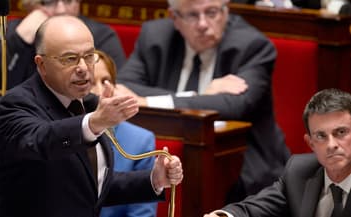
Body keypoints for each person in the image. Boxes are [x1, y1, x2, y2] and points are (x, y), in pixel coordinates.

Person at [0, 15, 183, 217]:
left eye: (89, 56)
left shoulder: (89, 103)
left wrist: (153, 180)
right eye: (70, 59)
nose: (83, 68)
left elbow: (87, 187)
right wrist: (93, 123)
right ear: (42, 64)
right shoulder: (16, 104)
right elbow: (42, 140)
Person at [117, 0, 290, 202]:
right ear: (175, 18)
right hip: (166, 159)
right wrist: (199, 96)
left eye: (212, 12)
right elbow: (123, 87)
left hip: (244, 171)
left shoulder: (252, 46)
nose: (203, 24)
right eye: (192, 15)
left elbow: (234, 105)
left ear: (225, 12)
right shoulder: (155, 38)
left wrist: (148, 101)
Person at [203, 88, 351, 217]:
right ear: (310, 143)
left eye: (341, 132)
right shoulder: (300, 172)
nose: (331, 145)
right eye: (321, 136)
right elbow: (254, 208)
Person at [0, 0, 126, 90]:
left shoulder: (101, 36)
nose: (61, 10)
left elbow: (118, 86)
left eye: (68, 1)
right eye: (49, 2)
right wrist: (20, 39)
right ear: (33, 4)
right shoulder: (18, 30)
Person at [91, 50, 157, 217]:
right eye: (90, 83)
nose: (99, 91)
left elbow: (142, 213)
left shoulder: (139, 141)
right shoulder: (59, 133)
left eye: (106, 81)